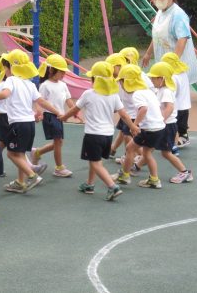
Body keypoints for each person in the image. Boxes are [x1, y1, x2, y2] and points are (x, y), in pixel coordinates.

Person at [59, 61, 137, 201]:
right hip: (108, 135)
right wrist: (133, 127)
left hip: (93, 135)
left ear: (94, 79)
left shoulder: (89, 94)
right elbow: (124, 114)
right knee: (94, 159)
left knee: (95, 162)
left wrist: (63, 117)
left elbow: (75, 109)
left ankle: (112, 186)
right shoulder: (114, 95)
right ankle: (89, 184)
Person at [0, 49, 62, 194]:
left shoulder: (11, 80)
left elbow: (5, 94)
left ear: (11, 67)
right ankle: (20, 182)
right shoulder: (29, 83)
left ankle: (32, 176)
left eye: (6, 67)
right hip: (29, 124)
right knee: (20, 154)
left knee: (11, 154)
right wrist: (57, 111)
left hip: (17, 124)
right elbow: (41, 101)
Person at [111, 64, 168, 189]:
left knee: (130, 148)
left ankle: (125, 176)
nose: (120, 84)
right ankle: (154, 179)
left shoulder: (137, 94)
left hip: (149, 129)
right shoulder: (148, 92)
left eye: (121, 81)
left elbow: (143, 109)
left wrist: (134, 125)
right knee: (146, 153)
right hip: (158, 128)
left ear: (127, 82)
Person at [141, 0, 197, 85]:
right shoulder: (160, 12)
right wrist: (148, 53)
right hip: (164, 62)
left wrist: (173, 62)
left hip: (177, 65)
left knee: (174, 89)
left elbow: (182, 39)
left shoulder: (178, 15)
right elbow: (157, 36)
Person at [31, 53, 75, 178]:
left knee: (59, 142)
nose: (63, 74)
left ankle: (37, 152)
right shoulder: (45, 85)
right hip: (50, 116)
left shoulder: (63, 85)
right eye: (61, 71)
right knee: (58, 142)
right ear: (51, 70)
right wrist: (39, 113)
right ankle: (59, 168)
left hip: (59, 116)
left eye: (64, 72)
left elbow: (68, 99)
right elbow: (40, 101)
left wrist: (75, 111)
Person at [161, 52, 192, 148]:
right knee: (182, 125)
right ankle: (183, 137)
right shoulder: (183, 73)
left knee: (172, 125)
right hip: (185, 104)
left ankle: (174, 141)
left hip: (177, 106)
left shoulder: (173, 77)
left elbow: (172, 92)